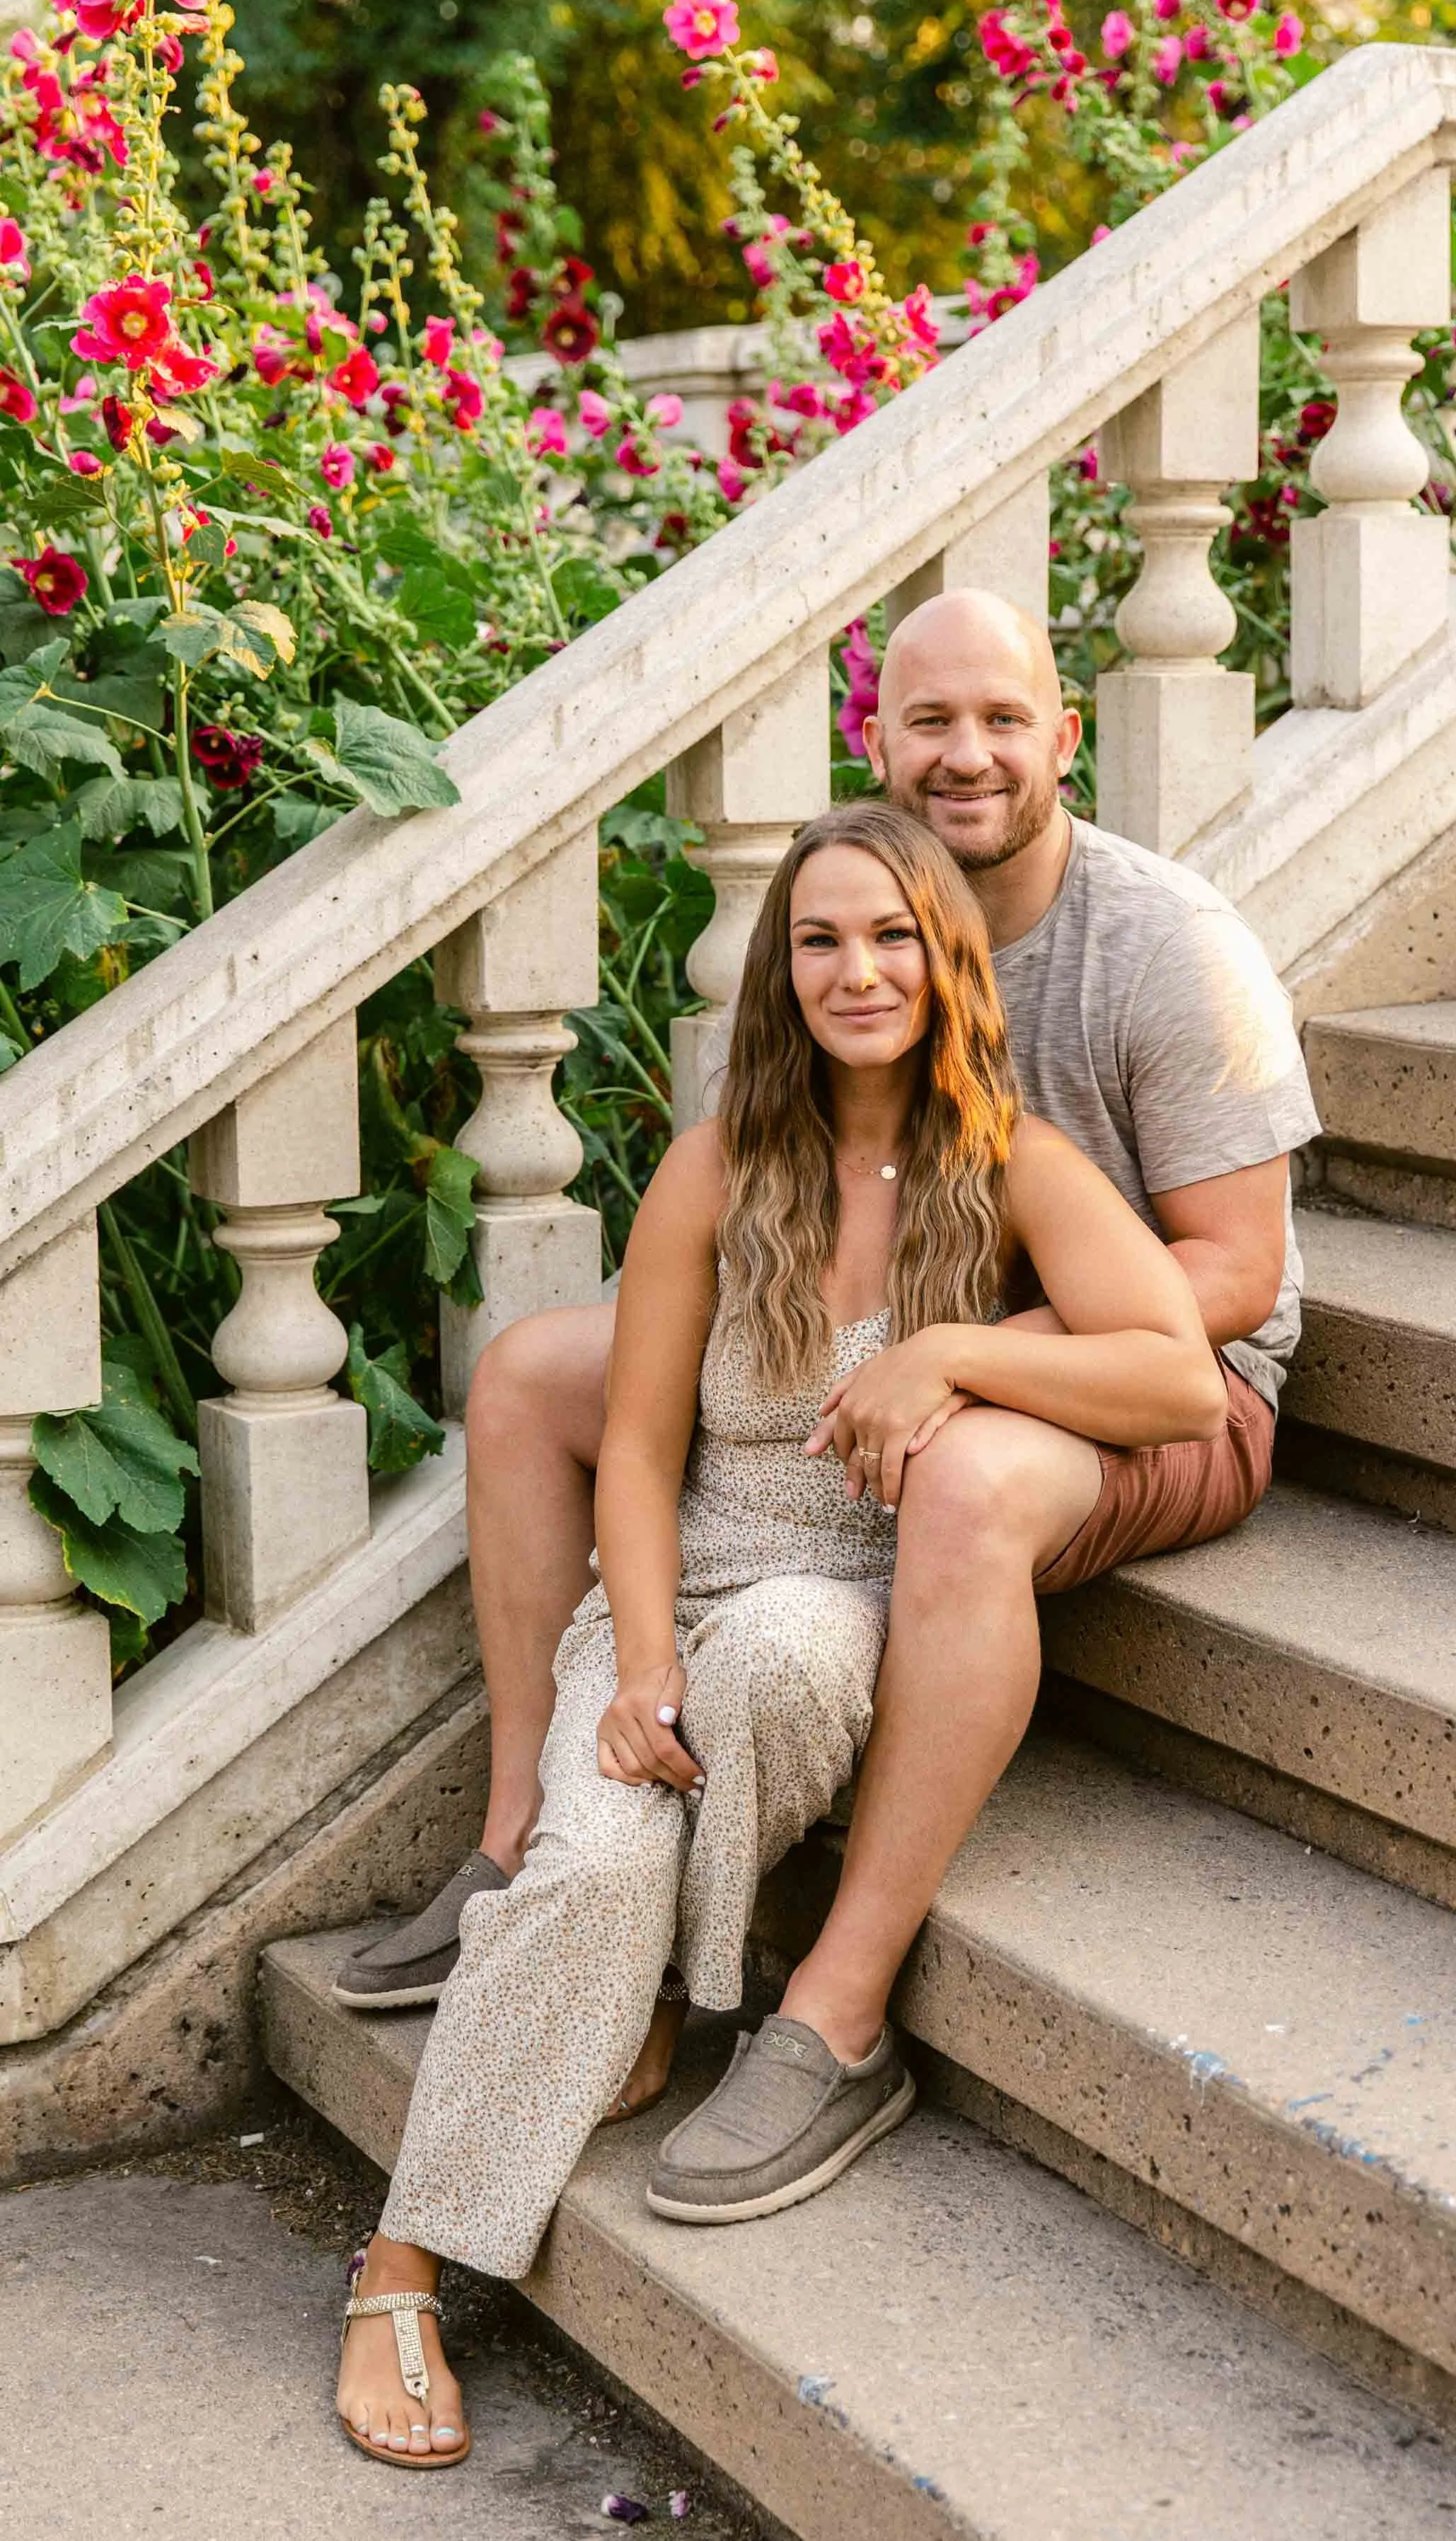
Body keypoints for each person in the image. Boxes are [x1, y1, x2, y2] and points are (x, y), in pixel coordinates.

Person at [334, 586, 1319, 2198]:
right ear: (877, 743)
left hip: (1154, 1374)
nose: (967, 753)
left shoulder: (1163, 950)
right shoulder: (843, 924)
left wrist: (955, 1351)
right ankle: (522, 1833)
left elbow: (1232, 1281)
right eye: (929, 721)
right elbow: (779, 1202)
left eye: (1002, 718)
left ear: (1063, 736)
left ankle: (837, 2013)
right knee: (527, 1380)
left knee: (972, 1473)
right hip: (913, 1327)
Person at [334, 798, 1227, 2465]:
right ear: (782, 969)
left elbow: (1175, 1374)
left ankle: (663, 2000)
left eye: (890, 933)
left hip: (848, 1594)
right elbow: (647, 1447)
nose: (855, 968)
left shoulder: (1013, 1160)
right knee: (585, 1865)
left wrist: (949, 1358)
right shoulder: (717, 1164)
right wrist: (641, 1652)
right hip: (686, 1590)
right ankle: (402, 2265)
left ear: (944, 958)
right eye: (820, 938)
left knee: (793, 1655)